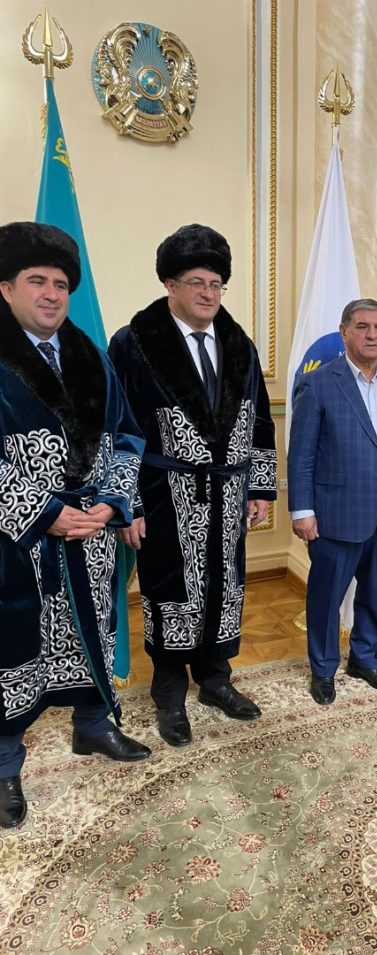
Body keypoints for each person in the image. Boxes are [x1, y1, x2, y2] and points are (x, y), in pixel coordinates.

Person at [0, 222, 150, 829]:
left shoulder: (91, 356)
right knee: (13, 648)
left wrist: (111, 503)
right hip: (17, 545)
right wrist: (45, 512)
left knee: (92, 633)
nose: (51, 294)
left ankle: (92, 725)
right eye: (37, 280)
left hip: (91, 534)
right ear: (6, 288)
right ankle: (5, 765)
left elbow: (128, 435)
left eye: (61, 284)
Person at [108, 224, 276, 746]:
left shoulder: (239, 343)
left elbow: (261, 417)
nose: (209, 293)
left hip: (228, 495)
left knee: (226, 583)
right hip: (164, 494)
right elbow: (117, 428)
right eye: (197, 282)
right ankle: (168, 691)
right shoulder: (135, 343)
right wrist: (126, 503)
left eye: (216, 284)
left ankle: (215, 679)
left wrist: (260, 486)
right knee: (170, 588)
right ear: (170, 285)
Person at [288, 298, 377, 705]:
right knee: (326, 596)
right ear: (344, 332)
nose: (372, 335)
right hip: (335, 513)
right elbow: (301, 454)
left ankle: (366, 659)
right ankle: (323, 668)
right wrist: (302, 510)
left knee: (375, 591)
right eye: (363, 327)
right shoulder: (318, 383)